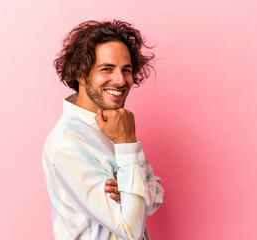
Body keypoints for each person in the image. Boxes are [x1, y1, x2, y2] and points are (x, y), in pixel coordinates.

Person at [42, 20, 164, 240]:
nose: (120, 80)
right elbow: (130, 229)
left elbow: (157, 191)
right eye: (107, 68)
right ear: (81, 73)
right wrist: (127, 144)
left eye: (126, 70)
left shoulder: (115, 124)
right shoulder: (66, 143)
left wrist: (130, 193)